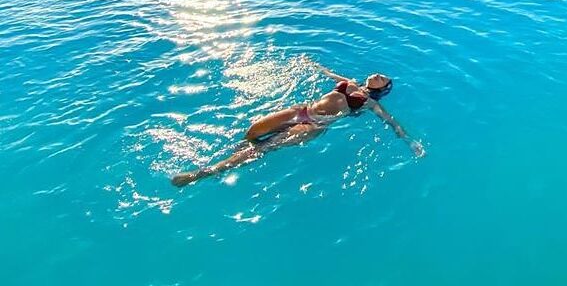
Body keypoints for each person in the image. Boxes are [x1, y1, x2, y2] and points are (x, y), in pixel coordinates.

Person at [171, 66, 424, 187]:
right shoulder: (349, 82)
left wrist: (409, 141)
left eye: (382, 79)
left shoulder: (369, 103)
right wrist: (311, 65)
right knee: (253, 131)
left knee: (263, 148)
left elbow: (392, 122)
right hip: (300, 110)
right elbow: (329, 74)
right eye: (379, 73)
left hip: (314, 125)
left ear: (382, 89)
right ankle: (233, 152)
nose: (377, 75)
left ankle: (203, 173)